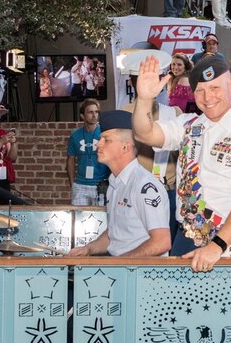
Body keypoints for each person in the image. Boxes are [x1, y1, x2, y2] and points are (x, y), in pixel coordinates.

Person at [131, 51, 231, 271]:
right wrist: (143, 99)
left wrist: (215, 247)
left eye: (215, 88)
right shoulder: (190, 124)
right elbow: (145, 133)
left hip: (225, 247)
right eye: (200, 91)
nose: (208, 98)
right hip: (184, 238)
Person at [67, 110, 170, 258]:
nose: (98, 144)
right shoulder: (115, 184)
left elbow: (161, 242)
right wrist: (88, 249)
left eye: (106, 140)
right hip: (121, 268)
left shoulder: (144, 186)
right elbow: (114, 235)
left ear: (126, 147)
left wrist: (121, 263)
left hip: (141, 274)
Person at [66, 98, 107, 206]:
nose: (94, 115)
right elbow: (70, 159)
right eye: (90, 112)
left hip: (100, 184)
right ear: (82, 116)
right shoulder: (75, 135)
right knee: (79, 219)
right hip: (80, 185)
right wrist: (72, 183)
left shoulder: (104, 133)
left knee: (100, 220)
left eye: (96, 112)